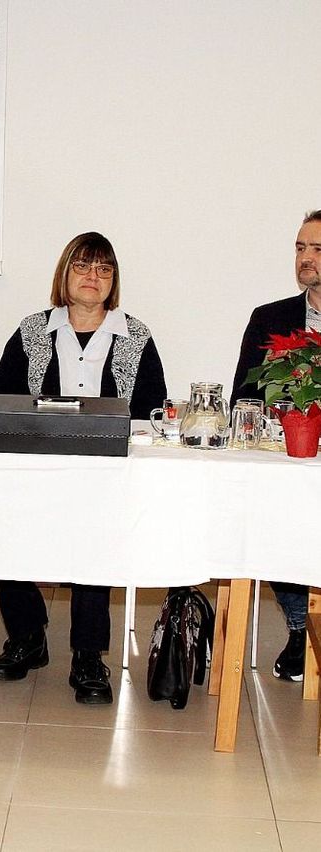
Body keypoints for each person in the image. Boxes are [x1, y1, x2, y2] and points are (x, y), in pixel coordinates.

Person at [0, 232, 166, 704]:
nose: (93, 277)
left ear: (113, 282)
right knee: (4, 524)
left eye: (104, 270)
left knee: (96, 541)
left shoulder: (136, 336)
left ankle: (88, 654)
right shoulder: (31, 331)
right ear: (63, 274)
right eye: (83, 266)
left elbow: (151, 412)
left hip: (107, 475)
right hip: (35, 470)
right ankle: (27, 638)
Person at [230, 209, 321, 682]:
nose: (306, 258)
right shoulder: (269, 319)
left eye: (318, 249)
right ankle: (299, 627)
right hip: (284, 462)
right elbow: (242, 400)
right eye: (300, 248)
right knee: (274, 511)